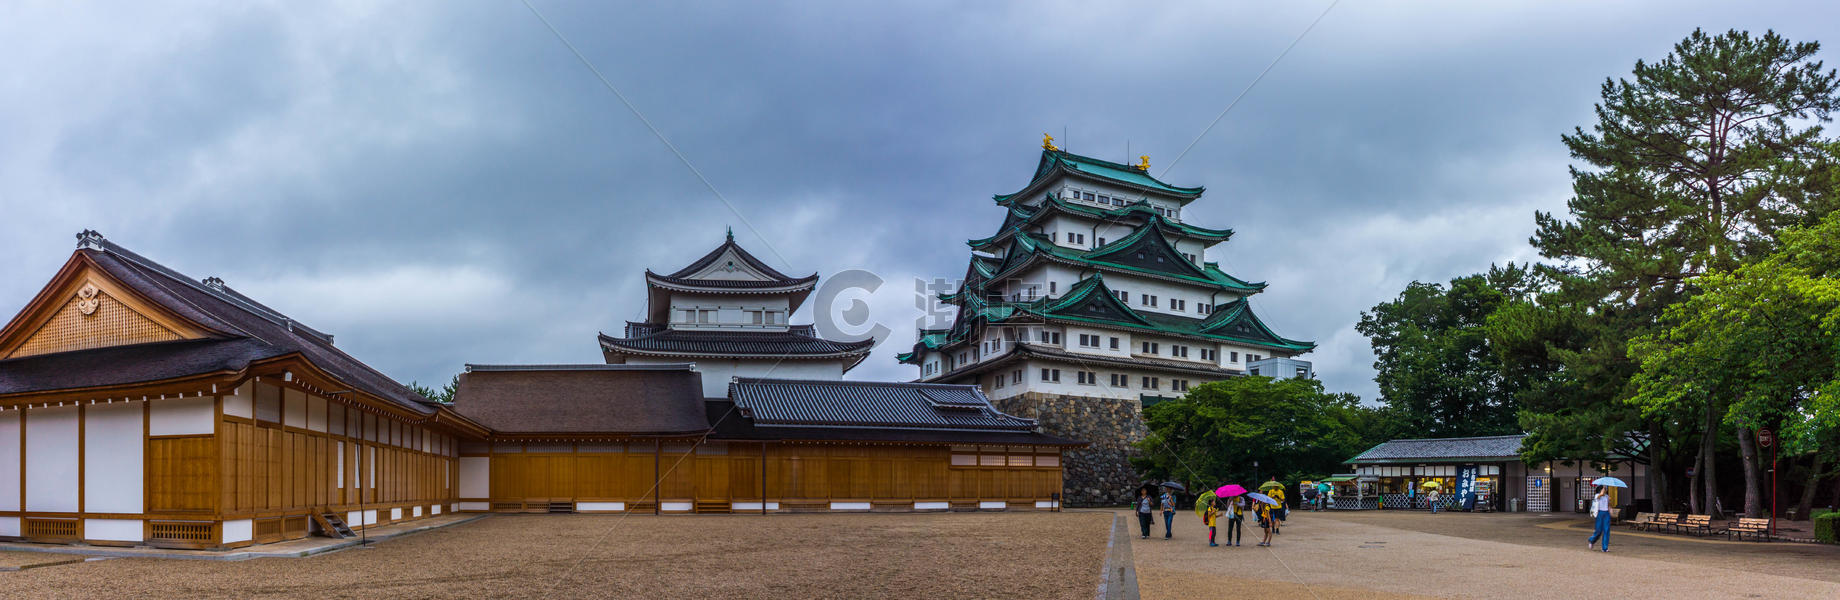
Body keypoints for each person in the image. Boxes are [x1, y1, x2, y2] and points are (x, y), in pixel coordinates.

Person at [1586, 486, 1612, 552]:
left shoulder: (1607, 496)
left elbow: (1608, 505)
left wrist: (1610, 510)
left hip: (1606, 513)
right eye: (1604, 488)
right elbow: (1597, 498)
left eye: (1605, 488)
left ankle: (1605, 548)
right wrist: (1601, 494)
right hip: (1600, 513)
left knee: (1606, 530)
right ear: (1600, 489)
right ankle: (1592, 540)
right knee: (1598, 530)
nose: (1605, 489)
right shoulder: (1597, 495)